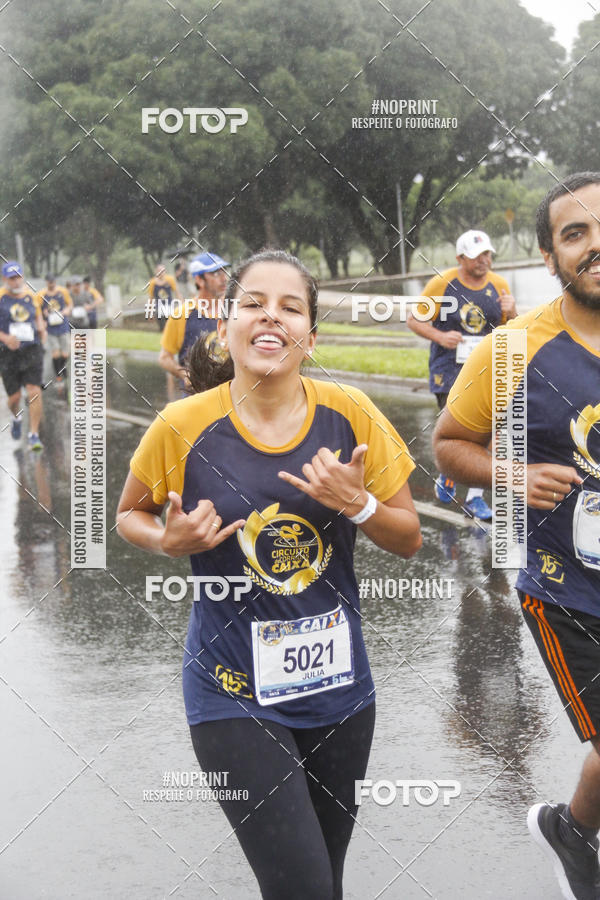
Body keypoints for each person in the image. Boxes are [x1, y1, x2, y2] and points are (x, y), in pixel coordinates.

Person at [117, 249, 422, 899]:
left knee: (325, 882)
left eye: (291, 308)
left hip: (342, 692)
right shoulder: (182, 426)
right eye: (254, 303)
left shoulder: (351, 414)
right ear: (227, 326)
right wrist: (167, 540)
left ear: (310, 337)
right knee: (303, 889)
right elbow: (128, 516)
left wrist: (358, 503)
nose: (271, 317)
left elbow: (409, 538)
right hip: (232, 693)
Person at [433, 173, 600, 900]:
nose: (595, 245)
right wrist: (511, 475)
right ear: (548, 256)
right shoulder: (512, 349)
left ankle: (571, 828)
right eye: (575, 234)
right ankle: (571, 833)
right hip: (569, 593)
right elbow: (449, 445)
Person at [407, 230, 517, 520]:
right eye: (476, 256)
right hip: (449, 367)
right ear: (460, 258)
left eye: (487, 254)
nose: (484, 261)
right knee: (456, 431)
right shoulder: (442, 284)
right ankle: (448, 471)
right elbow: (414, 320)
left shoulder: (500, 285)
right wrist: (440, 337)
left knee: (489, 431)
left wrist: (513, 311)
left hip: (487, 367)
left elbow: (512, 329)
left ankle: (475, 497)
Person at [158, 251, 229, 387]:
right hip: (196, 398)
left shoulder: (233, 310)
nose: (223, 278)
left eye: (223, 272)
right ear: (199, 280)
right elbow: (164, 358)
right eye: (216, 274)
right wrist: (185, 375)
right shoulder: (182, 314)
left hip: (229, 396)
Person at [0, 261, 46, 449]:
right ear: (5, 280)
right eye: (12, 278)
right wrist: (5, 338)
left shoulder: (31, 296)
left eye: (18, 277)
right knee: (15, 398)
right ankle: (16, 416)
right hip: (7, 353)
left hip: (31, 350)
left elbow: (38, 316)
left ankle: (34, 434)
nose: (16, 282)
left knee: (34, 390)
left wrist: (42, 329)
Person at [37, 273, 72, 383]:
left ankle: (63, 368)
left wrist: (66, 311)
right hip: (51, 327)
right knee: (55, 352)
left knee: (66, 352)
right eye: (49, 282)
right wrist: (43, 315)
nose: (51, 284)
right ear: (46, 282)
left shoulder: (63, 292)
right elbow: (37, 310)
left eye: (53, 282)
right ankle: (58, 375)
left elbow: (70, 304)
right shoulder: (41, 294)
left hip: (63, 324)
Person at [148, 264, 182, 332]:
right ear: (156, 272)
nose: (161, 273)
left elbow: (177, 293)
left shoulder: (170, 279)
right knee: (161, 321)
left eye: (162, 271)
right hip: (159, 306)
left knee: (169, 322)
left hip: (169, 305)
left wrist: (182, 305)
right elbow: (151, 298)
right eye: (159, 271)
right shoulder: (152, 282)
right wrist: (150, 312)